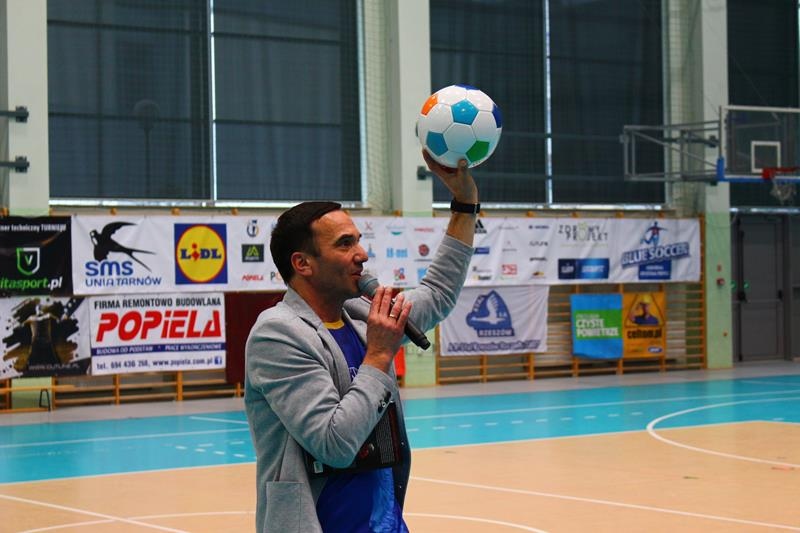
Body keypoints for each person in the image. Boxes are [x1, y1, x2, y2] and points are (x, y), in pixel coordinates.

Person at [244, 151, 479, 533]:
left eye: (358, 241)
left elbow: (437, 292)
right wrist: (380, 353)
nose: (362, 255)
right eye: (344, 244)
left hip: (385, 524)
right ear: (303, 263)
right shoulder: (278, 334)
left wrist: (465, 205)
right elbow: (334, 444)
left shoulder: (359, 315)